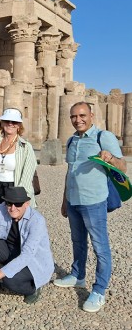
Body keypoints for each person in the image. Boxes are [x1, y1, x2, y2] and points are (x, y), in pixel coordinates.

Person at [54, 101, 127, 313]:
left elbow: (123, 166)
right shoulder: (71, 141)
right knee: (77, 241)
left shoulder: (103, 137)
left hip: (94, 201)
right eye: (74, 116)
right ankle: (78, 275)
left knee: (100, 246)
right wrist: (64, 200)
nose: (78, 120)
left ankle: (99, 290)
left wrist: (111, 158)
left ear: (91, 115)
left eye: (82, 115)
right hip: (74, 200)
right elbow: (70, 171)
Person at [0, 186, 54, 305]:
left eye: (18, 204)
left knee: (7, 279)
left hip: (32, 262)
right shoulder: (2, 208)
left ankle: (32, 289)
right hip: (10, 250)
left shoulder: (37, 221)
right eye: (9, 203)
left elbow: (26, 256)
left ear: (27, 203)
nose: (12, 208)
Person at [0, 108, 37, 226]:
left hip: (15, 188)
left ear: (19, 125)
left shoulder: (25, 146)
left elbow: (27, 176)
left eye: (14, 122)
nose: (10, 124)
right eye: (7, 121)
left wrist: (22, 198)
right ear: (1, 123)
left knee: (12, 227)